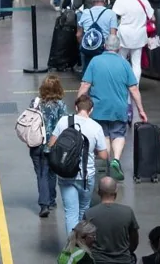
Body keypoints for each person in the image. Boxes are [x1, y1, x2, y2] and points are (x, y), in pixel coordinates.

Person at [78, 35, 148, 181]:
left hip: (98, 108)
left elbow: (85, 85)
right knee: (118, 134)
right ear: (119, 48)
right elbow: (134, 89)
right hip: (119, 108)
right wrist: (141, 110)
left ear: (104, 46)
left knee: (104, 135)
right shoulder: (124, 64)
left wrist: (78, 104)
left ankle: (107, 164)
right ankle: (116, 160)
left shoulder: (95, 61)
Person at [48, 95, 108, 235]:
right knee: (83, 210)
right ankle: (82, 245)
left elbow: (51, 144)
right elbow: (104, 156)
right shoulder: (96, 127)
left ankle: (71, 249)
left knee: (70, 213)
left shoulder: (64, 121)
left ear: (76, 107)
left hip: (66, 174)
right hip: (86, 176)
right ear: (91, 110)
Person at [32, 75, 68, 217]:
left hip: (36, 144)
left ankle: (44, 203)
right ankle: (51, 200)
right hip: (53, 146)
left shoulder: (35, 103)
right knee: (52, 173)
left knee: (41, 173)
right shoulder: (61, 105)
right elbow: (64, 124)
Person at [85, 176, 140, 264]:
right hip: (124, 260)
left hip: (98, 261)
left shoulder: (89, 214)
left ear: (98, 192)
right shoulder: (127, 212)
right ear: (116, 191)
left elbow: (84, 242)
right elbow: (135, 240)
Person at [112, 0, 154, 83]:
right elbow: (153, 18)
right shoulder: (144, 1)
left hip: (124, 35)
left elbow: (114, 16)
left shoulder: (121, 0)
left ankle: (121, 84)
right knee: (136, 63)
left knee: (121, 61)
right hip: (139, 35)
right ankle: (135, 86)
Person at [76, 0, 118, 75]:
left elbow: (78, 35)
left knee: (87, 74)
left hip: (88, 49)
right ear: (105, 0)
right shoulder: (111, 14)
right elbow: (113, 36)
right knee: (102, 74)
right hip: (103, 50)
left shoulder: (85, 13)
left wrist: (84, 45)